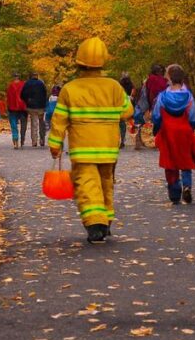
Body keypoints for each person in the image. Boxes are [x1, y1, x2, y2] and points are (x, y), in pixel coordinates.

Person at [49, 37, 133, 244]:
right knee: (106, 183)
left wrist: (55, 144)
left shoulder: (70, 89)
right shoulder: (113, 87)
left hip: (83, 149)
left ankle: (96, 225)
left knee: (87, 184)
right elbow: (127, 111)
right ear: (104, 60)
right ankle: (107, 219)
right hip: (108, 148)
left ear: (79, 61)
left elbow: (59, 120)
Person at [152, 64, 195, 205]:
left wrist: (158, 127)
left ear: (170, 78)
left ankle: (174, 192)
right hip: (184, 131)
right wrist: (191, 128)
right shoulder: (188, 96)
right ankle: (187, 185)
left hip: (168, 132)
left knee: (170, 162)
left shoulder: (163, 97)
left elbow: (156, 116)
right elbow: (193, 116)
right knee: (185, 160)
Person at [135, 64, 168, 150]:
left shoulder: (150, 79)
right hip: (160, 102)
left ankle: (138, 138)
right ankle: (160, 141)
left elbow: (147, 91)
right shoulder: (163, 80)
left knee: (140, 119)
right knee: (160, 121)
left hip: (150, 102)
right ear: (159, 71)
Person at [20, 72, 48, 148]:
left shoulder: (27, 83)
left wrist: (27, 101)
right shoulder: (41, 84)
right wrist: (44, 104)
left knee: (34, 123)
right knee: (41, 122)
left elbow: (22, 94)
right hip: (41, 106)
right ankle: (42, 139)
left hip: (31, 106)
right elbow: (45, 94)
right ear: (37, 76)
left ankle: (34, 141)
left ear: (31, 76)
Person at [6, 73, 28, 149]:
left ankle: (15, 140)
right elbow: (26, 95)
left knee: (13, 124)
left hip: (12, 108)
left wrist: (8, 106)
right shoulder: (23, 84)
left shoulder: (10, 86)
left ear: (14, 77)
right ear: (19, 77)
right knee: (23, 124)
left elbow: (8, 97)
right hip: (22, 107)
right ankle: (22, 140)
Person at [118, 73, 134, 148]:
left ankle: (120, 140)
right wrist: (130, 96)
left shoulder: (119, 85)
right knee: (122, 124)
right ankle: (122, 140)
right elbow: (133, 90)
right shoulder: (131, 83)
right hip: (127, 103)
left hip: (119, 104)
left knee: (120, 124)